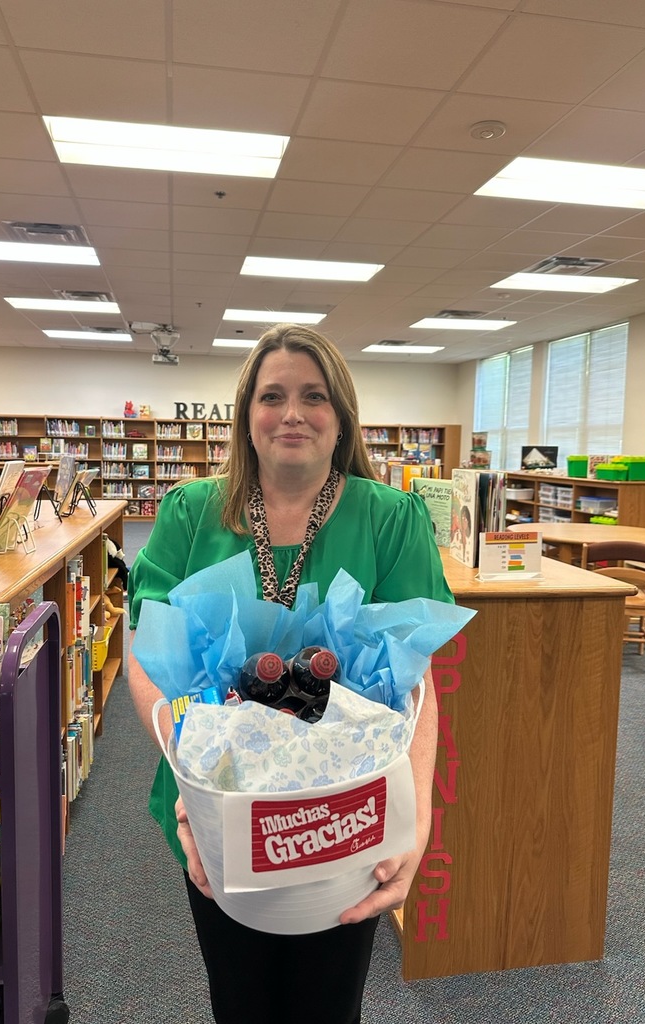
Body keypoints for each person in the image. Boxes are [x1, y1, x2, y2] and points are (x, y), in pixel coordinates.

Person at [128, 324, 454, 1024]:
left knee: (329, 1002)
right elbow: (146, 655)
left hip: (346, 813)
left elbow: (418, 684)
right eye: (272, 395)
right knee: (239, 996)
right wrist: (192, 773)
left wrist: (417, 822)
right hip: (217, 807)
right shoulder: (191, 512)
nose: (293, 413)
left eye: (314, 395)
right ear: (247, 416)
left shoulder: (392, 519)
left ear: (342, 418)